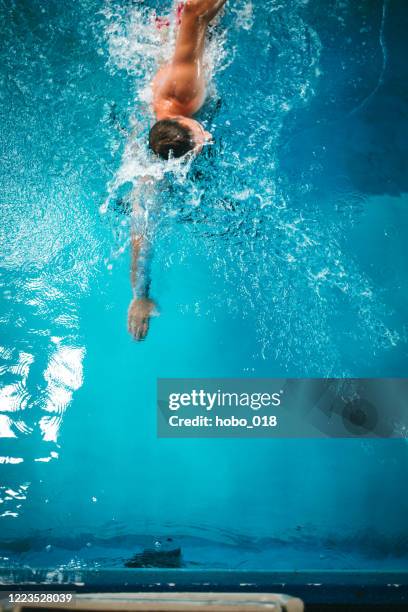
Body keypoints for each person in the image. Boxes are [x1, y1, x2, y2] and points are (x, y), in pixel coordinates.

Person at [127, 0, 227, 341]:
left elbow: (194, 15)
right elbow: (139, 233)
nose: (207, 136)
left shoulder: (184, 90)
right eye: (199, 143)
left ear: (183, 121)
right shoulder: (151, 167)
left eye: (199, 137)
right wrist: (139, 295)